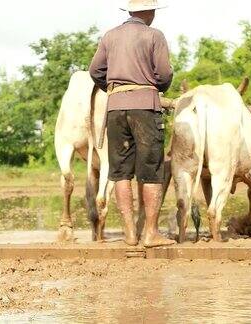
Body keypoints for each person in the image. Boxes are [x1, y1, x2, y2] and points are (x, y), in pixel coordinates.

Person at [89, 0, 175, 247]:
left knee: (120, 172)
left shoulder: (110, 36)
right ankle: (150, 233)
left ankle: (128, 234)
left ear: (130, 11)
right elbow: (165, 74)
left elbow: (95, 70)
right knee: (151, 171)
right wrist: (153, 88)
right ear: (149, 12)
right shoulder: (154, 36)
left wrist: (115, 89)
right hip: (145, 108)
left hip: (115, 108)